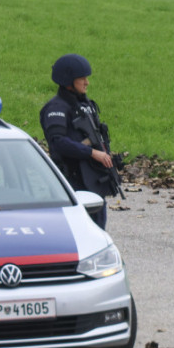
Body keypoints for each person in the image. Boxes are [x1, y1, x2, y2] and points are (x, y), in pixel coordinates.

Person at [40, 54, 121, 229]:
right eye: (82, 78)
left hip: (93, 179)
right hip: (73, 180)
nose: (87, 82)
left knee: (99, 229)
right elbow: (58, 142)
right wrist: (92, 153)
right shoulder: (56, 108)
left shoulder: (86, 105)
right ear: (68, 80)